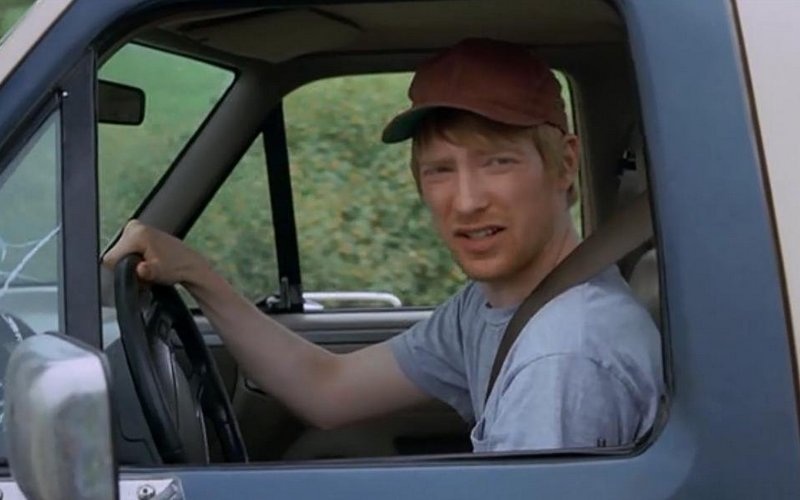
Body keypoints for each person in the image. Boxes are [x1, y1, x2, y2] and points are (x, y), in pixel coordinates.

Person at [104, 38, 663, 453]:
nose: (467, 201)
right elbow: (329, 390)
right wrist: (197, 273)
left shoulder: (562, 356)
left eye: (498, 162)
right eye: (440, 169)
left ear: (564, 164)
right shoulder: (492, 306)